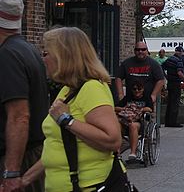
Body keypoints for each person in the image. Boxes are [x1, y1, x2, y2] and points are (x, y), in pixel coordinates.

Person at [19, 27, 122, 191]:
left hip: (88, 186)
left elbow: (112, 139)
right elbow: (55, 148)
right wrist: (23, 180)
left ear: (64, 56)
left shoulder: (92, 88)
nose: (42, 59)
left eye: (46, 54)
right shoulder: (68, 90)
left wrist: (67, 120)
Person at [0, 0, 48, 192]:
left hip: (17, 158)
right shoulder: (25, 48)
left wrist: (11, 172)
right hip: (29, 154)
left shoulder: (8, 55)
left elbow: (19, 116)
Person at [115, 41, 165, 112]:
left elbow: (160, 80)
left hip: (147, 101)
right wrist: (120, 94)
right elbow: (118, 78)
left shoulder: (154, 64)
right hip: (130, 100)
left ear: (147, 50)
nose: (140, 51)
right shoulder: (126, 63)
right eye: (138, 49)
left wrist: (153, 95)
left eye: (143, 49)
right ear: (134, 51)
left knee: (147, 119)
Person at [114, 81, 152, 164]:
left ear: (143, 89)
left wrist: (141, 109)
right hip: (124, 121)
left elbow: (150, 109)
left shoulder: (146, 98)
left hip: (139, 122)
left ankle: (133, 152)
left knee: (133, 126)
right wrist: (124, 109)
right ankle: (118, 150)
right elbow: (116, 107)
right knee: (116, 125)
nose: (137, 91)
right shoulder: (128, 98)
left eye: (139, 89)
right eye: (134, 89)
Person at [162, 47, 184, 128]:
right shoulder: (179, 60)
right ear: (180, 52)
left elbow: (162, 67)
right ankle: (173, 122)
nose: (182, 54)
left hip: (170, 82)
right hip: (176, 83)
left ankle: (168, 122)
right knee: (175, 103)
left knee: (170, 102)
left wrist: (166, 76)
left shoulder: (169, 59)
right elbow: (180, 73)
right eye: (182, 52)